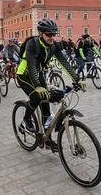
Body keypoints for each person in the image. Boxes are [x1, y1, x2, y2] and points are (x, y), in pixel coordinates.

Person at [16, 18, 86, 152]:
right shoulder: (32, 44)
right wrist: (38, 86)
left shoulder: (54, 46)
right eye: (49, 34)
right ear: (41, 33)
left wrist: (77, 79)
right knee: (37, 96)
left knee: (46, 109)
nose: (52, 37)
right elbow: (31, 66)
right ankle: (27, 118)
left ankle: (47, 140)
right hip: (24, 75)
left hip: (39, 75)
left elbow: (64, 63)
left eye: (54, 34)